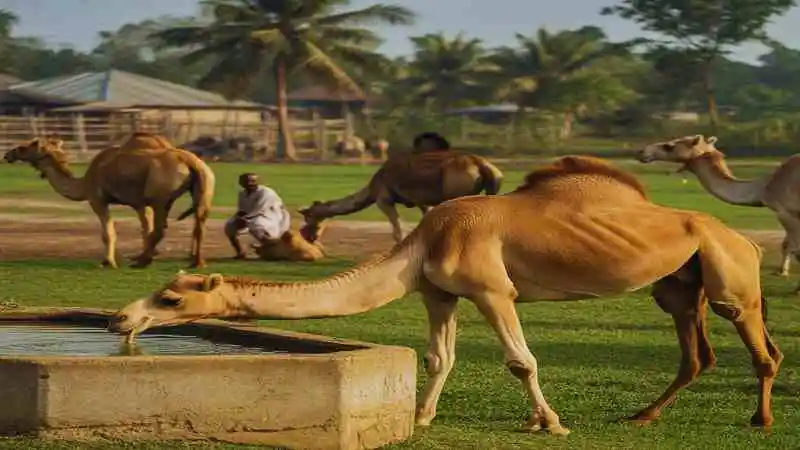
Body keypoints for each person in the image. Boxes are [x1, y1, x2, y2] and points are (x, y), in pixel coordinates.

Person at [225, 172, 291, 259]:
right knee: (230, 226)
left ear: (258, 182)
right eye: (246, 181)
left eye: (253, 181)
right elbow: (242, 210)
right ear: (240, 183)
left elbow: (260, 209)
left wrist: (245, 219)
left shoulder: (266, 192)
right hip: (254, 216)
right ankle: (240, 253)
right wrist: (238, 218)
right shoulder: (242, 194)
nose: (249, 183)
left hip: (274, 216)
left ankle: (271, 251)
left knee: (256, 225)